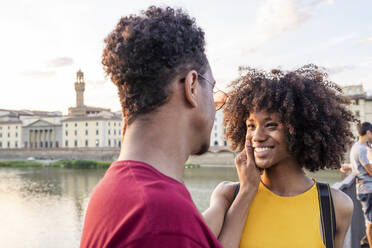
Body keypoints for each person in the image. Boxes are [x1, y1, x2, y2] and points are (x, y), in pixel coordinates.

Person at [80, 6, 258, 248]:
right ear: (192, 86)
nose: (215, 107)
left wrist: (243, 194)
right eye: (212, 90)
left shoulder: (112, 192)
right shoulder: (160, 217)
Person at [206, 65, 355, 248]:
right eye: (251, 126)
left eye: (271, 125)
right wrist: (246, 192)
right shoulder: (228, 195)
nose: (257, 137)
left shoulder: (336, 205)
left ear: (300, 131)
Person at [350, 122, 372, 247]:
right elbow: (370, 171)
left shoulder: (357, 147)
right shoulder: (361, 149)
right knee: (370, 222)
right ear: (368, 133)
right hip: (367, 190)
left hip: (365, 188)